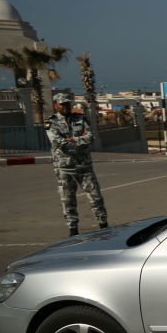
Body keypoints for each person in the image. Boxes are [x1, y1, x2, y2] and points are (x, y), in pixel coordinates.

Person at [45, 92, 108, 236]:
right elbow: (59, 143)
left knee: (96, 197)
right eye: (63, 104)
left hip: (84, 166)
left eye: (68, 104)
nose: (66, 106)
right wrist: (78, 140)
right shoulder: (51, 123)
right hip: (65, 168)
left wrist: (73, 140)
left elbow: (91, 137)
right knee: (68, 200)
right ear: (56, 105)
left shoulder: (80, 119)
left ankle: (104, 225)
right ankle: (73, 230)